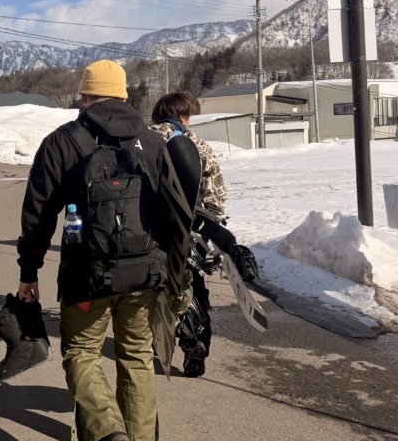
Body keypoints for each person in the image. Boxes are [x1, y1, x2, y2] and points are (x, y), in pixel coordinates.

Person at [16, 59, 170, 441]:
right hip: (145, 275)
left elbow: (38, 215)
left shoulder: (62, 142)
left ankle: (106, 432)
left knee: (82, 353)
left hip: (86, 278)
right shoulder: (153, 142)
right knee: (136, 356)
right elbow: (173, 211)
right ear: (124, 96)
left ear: (84, 96)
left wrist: (29, 272)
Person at [150, 91, 253, 378]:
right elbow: (214, 192)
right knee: (193, 286)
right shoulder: (196, 144)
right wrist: (212, 226)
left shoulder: (142, 140)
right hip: (189, 230)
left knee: (153, 288)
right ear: (183, 116)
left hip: (149, 233)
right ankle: (194, 343)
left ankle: (154, 336)